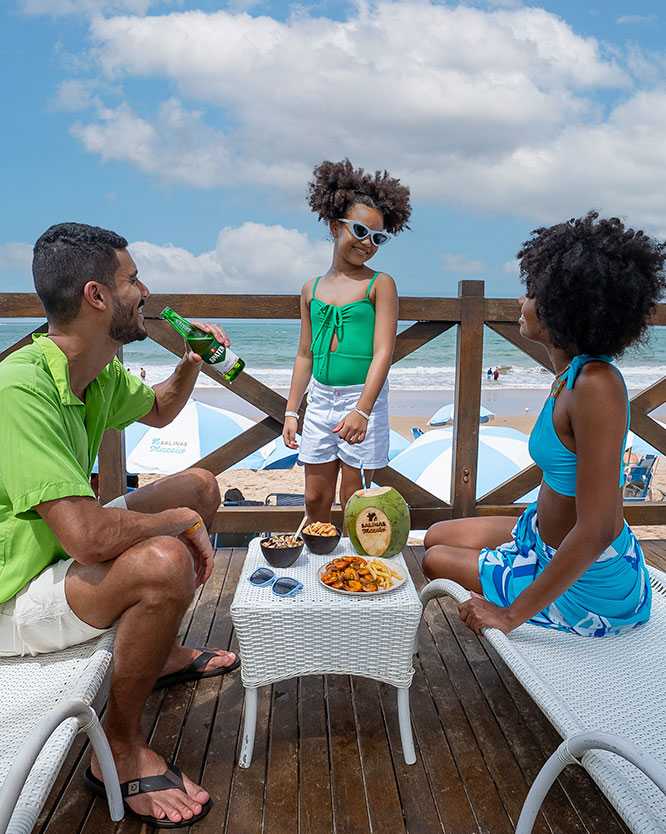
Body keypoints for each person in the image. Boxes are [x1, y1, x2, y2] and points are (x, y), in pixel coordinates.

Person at [0, 223, 239, 828]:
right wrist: (176, 523)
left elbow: (159, 410)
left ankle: (155, 654)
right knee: (165, 561)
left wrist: (192, 361)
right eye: (132, 279)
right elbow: (84, 536)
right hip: (12, 588)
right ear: (96, 296)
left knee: (201, 485)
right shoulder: (20, 388)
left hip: (54, 550)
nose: (144, 291)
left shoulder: (96, 369)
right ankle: (120, 751)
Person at [423, 212, 665, 638]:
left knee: (433, 560)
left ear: (563, 307)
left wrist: (510, 614)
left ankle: (533, 597)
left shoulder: (596, 386)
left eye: (532, 292)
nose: (521, 302)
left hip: (589, 584)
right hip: (537, 538)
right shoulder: (571, 374)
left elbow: (601, 525)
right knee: (436, 534)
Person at [283, 159, 411, 519]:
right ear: (334, 225)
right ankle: (321, 561)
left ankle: (353, 564)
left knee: (355, 497)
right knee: (314, 497)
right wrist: (293, 410)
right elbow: (305, 353)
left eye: (378, 238)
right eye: (359, 231)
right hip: (321, 398)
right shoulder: (311, 288)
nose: (368, 243)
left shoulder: (379, 283)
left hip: (361, 397)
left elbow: (384, 351)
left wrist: (362, 410)